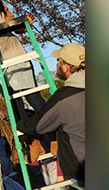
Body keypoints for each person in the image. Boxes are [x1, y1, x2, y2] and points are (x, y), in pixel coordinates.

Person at [17, 43, 85, 182]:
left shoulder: (63, 99)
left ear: (66, 68)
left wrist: (18, 122)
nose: (56, 65)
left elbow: (35, 126)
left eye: (58, 61)